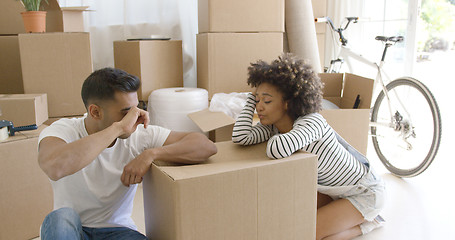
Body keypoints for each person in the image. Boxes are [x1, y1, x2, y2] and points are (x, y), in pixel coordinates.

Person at [38, 68, 217, 240]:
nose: (136, 117)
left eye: (137, 108)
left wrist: (151, 154)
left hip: (116, 231)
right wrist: (118, 128)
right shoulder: (64, 130)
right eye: (127, 112)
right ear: (95, 112)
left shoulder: (140, 134)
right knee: (60, 218)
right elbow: (55, 167)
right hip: (71, 230)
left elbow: (205, 146)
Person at [232, 53, 385, 240]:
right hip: (332, 191)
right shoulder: (273, 126)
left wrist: (260, 104)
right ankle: (350, 217)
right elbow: (240, 137)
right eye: (257, 101)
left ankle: (369, 224)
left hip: (364, 193)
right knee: (293, 217)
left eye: (267, 101)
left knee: (310, 233)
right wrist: (250, 100)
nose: (259, 108)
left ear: (288, 103)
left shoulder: (312, 122)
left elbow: (276, 150)